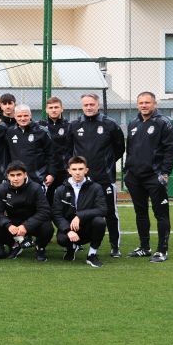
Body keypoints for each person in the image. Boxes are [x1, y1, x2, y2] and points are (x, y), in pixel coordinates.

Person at [123, 91, 173, 263]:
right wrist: (127, 171)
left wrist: (165, 173)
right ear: (137, 105)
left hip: (155, 177)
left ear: (155, 104)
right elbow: (130, 149)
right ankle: (144, 247)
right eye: (141, 103)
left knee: (161, 214)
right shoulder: (133, 123)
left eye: (147, 102)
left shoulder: (164, 122)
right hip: (134, 177)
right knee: (140, 213)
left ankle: (162, 250)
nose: (144, 105)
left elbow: (171, 149)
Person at [68, 93, 125, 257]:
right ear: (82, 106)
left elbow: (119, 148)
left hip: (104, 178)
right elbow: (69, 149)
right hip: (81, 180)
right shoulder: (74, 125)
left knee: (110, 213)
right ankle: (77, 243)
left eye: (91, 104)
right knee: (78, 211)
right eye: (85, 105)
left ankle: (115, 246)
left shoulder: (110, 124)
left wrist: (106, 164)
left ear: (97, 105)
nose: (89, 107)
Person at [0, 161, 52, 261]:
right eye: (12, 175)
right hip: (13, 222)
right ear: (8, 176)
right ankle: (14, 245)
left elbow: (44, 211)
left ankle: (40, 247)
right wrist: (8, 225)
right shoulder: (2, 188)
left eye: (19, 175)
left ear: (25, 175)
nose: (16, 178)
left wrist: (26, 226)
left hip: (32, 221)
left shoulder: (36, 188)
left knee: (47, 227)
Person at [52, 156, 107, 268]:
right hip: (70, 227)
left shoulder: (96, 187)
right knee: (62, 239)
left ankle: (92, 254)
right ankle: (71, 248)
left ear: (86, 170)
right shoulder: (60, 190)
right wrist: (68, 230)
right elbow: (56, 214)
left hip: (87, 227)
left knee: (100, 222)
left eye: (81, 169)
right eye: (74, 169)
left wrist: (79, 216)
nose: (77, 172)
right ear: (69, 171)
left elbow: (102, 209)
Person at [5, 104, 55, 187]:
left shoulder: (42, 131)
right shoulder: (10, 132)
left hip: (38, 177)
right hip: (17, 177)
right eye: (19, 116)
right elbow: (6, 155)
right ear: (15, 116)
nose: (23, 118)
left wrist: (52, 173)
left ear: (30, 115)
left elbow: (52, 154)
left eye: (25, 115)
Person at [39, 96, 71, 204]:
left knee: (65, 202)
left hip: (65, 170)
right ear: (46, 110)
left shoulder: (69, 126)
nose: (53, 110)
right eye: (51, 107)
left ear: (62, 109)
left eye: (56, 107)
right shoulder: (40, 126)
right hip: (47, 171)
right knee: (47, 201)